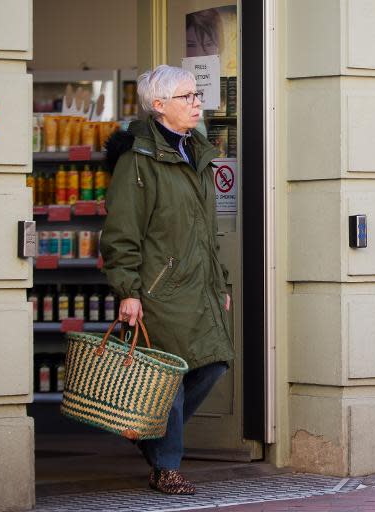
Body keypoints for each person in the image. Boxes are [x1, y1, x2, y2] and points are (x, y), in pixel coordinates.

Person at [100, 65, 234, 495]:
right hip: (158, 292)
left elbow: (204, 230)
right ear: (159, 106)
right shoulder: (137, 162)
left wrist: (221, 283)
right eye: (187, 97)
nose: (197, 103)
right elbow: (122, 234)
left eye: (197, 95)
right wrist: (128, 292)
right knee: (169, 378)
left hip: (200, 287)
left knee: (213, 364)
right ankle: (168, 467)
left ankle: (151, 437)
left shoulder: (198, 152)